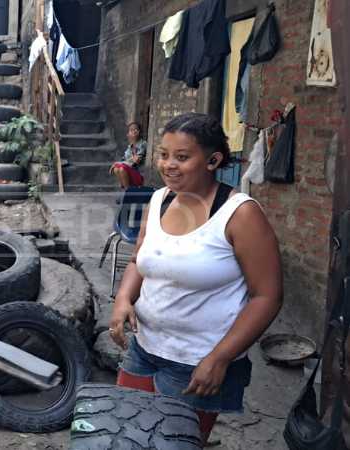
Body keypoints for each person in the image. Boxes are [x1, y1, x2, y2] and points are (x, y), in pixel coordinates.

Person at [108, 113, 283, 448]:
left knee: (171, 444)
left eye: (182, 156)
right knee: (126, 437)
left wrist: (220, 358)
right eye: (164, 154)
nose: (168, 165)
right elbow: (138, 260)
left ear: (212, 161)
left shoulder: (239, 214)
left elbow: (268, 296)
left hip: (198, 362)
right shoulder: (159, 200)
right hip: (143, 349)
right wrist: (123, 299)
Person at [109, 122, 147, 189]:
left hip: (140, 175)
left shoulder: (143, 144)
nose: (134, 132)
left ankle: (128, 192)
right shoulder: (130, 147)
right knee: (116, 168)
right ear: (128, 135)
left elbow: (136, 162)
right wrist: (130, 160)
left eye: (136, 130)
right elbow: (123, 160)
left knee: (122, 168)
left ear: (140, 132)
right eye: (131, 131)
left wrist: (129, 160)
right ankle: (127, 190)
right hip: (131, 174)